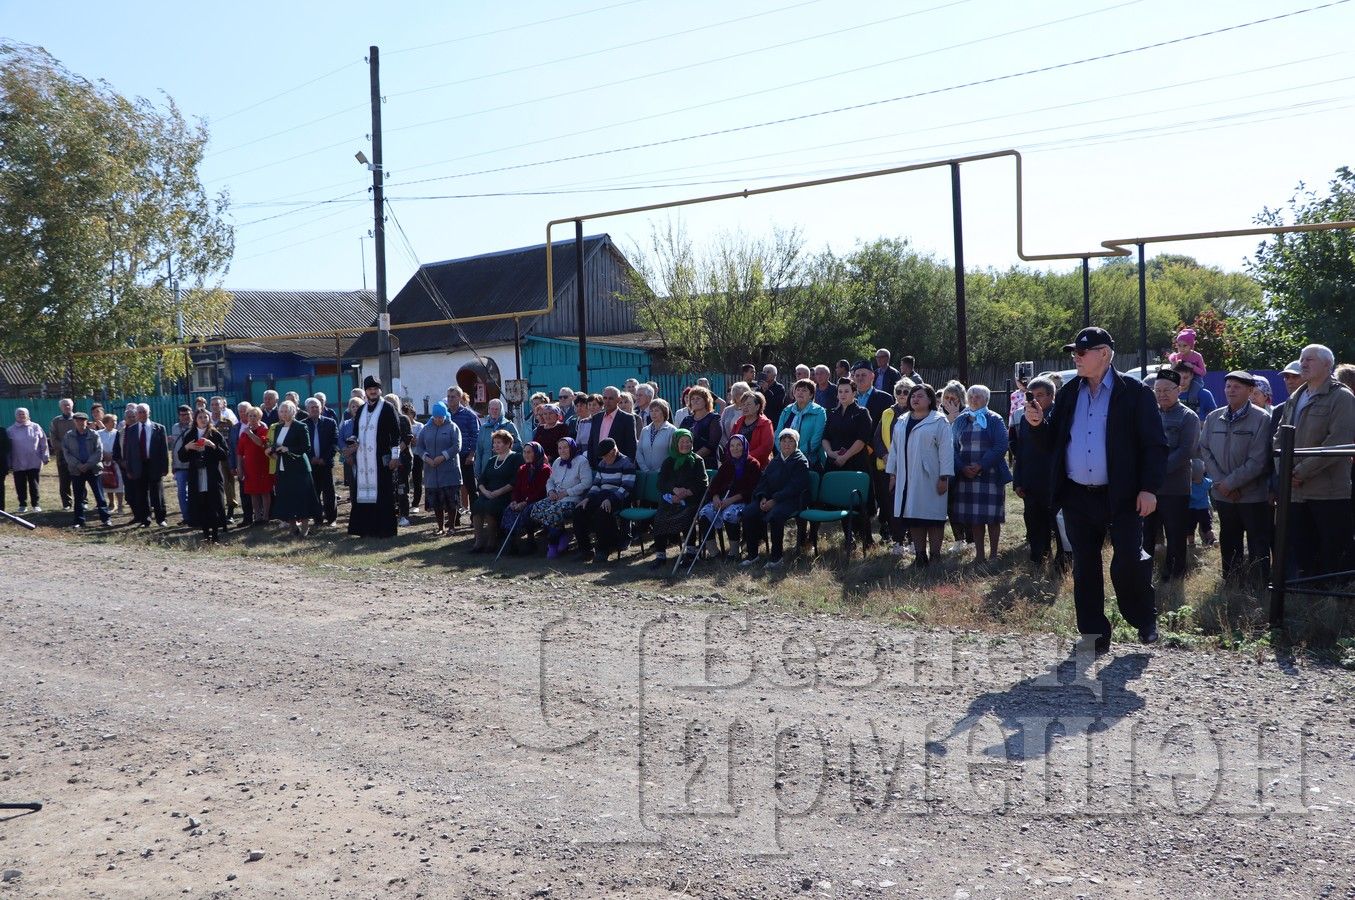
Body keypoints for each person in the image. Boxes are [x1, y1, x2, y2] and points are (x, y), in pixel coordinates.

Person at [1024, 326, 1166, 654]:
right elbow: (1051, 443)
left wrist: (1149, 488)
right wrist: (1036, 424)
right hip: (1077, 494)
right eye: (1074, 352)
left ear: (1104, 354)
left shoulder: (1135, 392)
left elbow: (1155, 445)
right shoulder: (1071, 391)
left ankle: (1144, 619)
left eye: (1082, 352)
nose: (1076, 357)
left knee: (1128, 560)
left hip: (1123, 494)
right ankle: (1094, 634)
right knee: (1086, 566)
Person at [1274, 343, 1355, 577]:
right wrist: (1286, 471)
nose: (1303, 363)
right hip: (1296, 493)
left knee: (1333, 552)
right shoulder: (1295, 397)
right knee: (1302, 551)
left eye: (1310, 359)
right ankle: (1307, 597)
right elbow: (1279, 437)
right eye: (1302, 358)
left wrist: (1300, 472)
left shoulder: (1341, 397)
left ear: (1328, 365)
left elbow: (1339, 440)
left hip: (1328, 492)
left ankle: (1332, 606)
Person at [1200, 370, 1273, 582]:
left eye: (1237, 387)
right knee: (1229, 540)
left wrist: (1231, 483)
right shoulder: (1214, 417)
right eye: (1228, 386)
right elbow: (1205, 449)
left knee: (1257, 542)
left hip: (1252, 495)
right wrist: (1221, 483)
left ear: (1251, 391)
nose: (1231, 390)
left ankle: (1259, 585)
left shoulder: (1262, 419)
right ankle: (1232, 583)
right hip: (1224, 495)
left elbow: (1259, 460)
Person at [884, 383, 953, 566]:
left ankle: (936, 556)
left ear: (930, 399)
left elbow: (946, 451)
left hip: (931, 477)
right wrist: (893, 475)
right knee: (914, 517)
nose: (914, 399)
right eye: (913, 396)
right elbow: (895, 449)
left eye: (919, 396)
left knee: (933, 518)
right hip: (907, 478)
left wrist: (944, 477)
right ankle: (920, 556)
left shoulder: (939, 421)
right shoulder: (902, 420)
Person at [1143, 368, 1199, 581]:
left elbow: (1185, 452)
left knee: (1175, 534)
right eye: (1157, 390)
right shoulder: (1149, 414)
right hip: (1148, 487)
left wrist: (1155, 471)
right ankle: (1145, 572)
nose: (1162, 394)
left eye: (1167, 390)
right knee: (1146, 533)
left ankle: (1175, 573)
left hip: (1175, 488)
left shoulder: (1188, 417)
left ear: (1179, 389)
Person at [951, 385, 1011, 565]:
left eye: (978, 396)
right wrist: (962, 467)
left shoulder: (994, 419)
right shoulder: (961, 420)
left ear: (986, 399)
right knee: (975, 517)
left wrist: (981, 465)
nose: (974, 399)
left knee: (992, 517)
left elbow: (1001, 445)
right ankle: (979, 555)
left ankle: (993, 554)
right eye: (971, 396)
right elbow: (952, 447)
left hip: (990, 474)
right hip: (966, 475)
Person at [1011, 376, 1063, 569]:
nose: (1036, 400)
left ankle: (1062, 561)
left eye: (1040, 395)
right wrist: (1018, 481)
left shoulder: (1058, 415)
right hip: (1032, 480)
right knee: (1034, 522)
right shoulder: (1025, 418)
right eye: (1031, 396)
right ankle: (1038, 558)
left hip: (1055, 480)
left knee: (1058, 524)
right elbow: (1020, 451)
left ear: (1052, 395)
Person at [740, 428, 810, 569]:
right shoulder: (775, 460)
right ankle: (753, 555)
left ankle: (776, 558)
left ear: (796, 444)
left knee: (775, 516)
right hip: (770, 499)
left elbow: (795, 487)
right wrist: (763, 497)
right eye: (784, 441)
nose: (787, 444)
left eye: (791, 441)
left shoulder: (801, 461)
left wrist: (775, 500)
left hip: (792, 500)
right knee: (748, 512)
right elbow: (764, 482)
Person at [346, 376, 402, 538]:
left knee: (383, 494)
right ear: (366, 391)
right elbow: (356, 432)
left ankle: (385, 530)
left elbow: (396, 434)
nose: (373, 391)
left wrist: (394, 457)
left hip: (380, 459)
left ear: (380, 390)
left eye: (375, 388)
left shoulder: (387, 408)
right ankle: (365, 529)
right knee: (363, 494)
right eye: (370, 389)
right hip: (363, 460)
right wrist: (353, 442)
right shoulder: (362, 409)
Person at [823, 378, 874, 548]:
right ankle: (848, 538)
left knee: (859, 502)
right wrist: (830, 453)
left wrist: (846, 456)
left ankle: (867, 540)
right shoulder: (831, 413)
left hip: (856, 462)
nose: (843, 394)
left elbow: (862, 439)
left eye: (846, 391)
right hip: (835, 462)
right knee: (842, 500)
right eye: (840, 391)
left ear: (854, 393)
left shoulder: (862, 412)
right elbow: (825, 438)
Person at [649, 429, 709, 569]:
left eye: (688, 442)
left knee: (688, 517)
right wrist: (674, 491)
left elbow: (703, 482)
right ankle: (660, 555)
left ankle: (690, 553)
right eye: (681, 442)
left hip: (690, 499)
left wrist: (687, 492)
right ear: (675, 443)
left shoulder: (697, 460)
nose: (685, 445)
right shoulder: (669, 461)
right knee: (659, 518)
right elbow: (661, 483)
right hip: (671, 499)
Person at [697, 433, 762, 560]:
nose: (735, 448)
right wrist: (715, 497)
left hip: (741, 500)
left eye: (739, 445)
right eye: (732, 445)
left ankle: (733, 552)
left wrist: (731, 500)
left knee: (730, 514)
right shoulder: (727, 464)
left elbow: (752, 490)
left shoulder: (753, 464)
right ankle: (714, 552)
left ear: (744, 447)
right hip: (722, 500)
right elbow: (714, 485)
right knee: (704, 513)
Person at [574, 436, 638, 563]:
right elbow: (596, 484)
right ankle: (585, 550)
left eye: (605, 456)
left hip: (619, 498)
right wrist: (588, 498)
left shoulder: (627, 463)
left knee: (601, 513)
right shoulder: (603, 463)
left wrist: (611, 500)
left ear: (614, 452)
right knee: (579, 511)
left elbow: (626, 487)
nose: (603, 459)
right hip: (601, 495)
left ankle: (603, 550)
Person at [531, 437, 593, 559]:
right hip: (555, 496)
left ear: (572, 447)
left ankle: (553, 544)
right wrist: (551, 491)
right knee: (536, 509)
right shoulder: (557, 462)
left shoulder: (582, 461)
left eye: (565, 447)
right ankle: (563, 534)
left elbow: (587, 483)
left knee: (552, 512)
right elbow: (550, 481)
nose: (562, 450)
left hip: (573, 498)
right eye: (560, 448)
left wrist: (567, 492)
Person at [268, 400, 319, 536]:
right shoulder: (278, 427)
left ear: (293, 411)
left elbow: (306, 447)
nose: (284, 414)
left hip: (299, 468)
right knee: (286, 497)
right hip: (283, 467)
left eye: (287, 411)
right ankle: (292, 528)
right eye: (282, 411)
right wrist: (271, 449)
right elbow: (277, 444)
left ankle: (305, 528)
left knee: (302, 497)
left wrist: (288, 449)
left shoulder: (300, 426)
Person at [178, 409, 229, 542]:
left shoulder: (215, 434)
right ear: (195, 419)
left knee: (214, 503)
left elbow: (224, 455)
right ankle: (206, 534)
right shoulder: (190, 434)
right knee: (201, 503)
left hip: (212, 474)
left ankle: (216, 535)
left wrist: (212, 445)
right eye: (200, 417)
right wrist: (187, 448)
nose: (203, 419)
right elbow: (181, 457)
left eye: (205, 417)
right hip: (197, 474)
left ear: (209, 418)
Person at [115, 404, 169, 527]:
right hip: (138, 466)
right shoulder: (131, 430)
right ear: (136, 414)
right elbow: (128, 451)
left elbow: (164, 450)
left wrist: (165, 468)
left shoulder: (159, 428)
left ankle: (161, 519)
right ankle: (146, 519)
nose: (141, 414)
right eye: (139, 412)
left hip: (154, 464)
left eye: (144, 412)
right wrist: (129, 468)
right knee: (141, 494)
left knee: (157, 493)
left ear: (149, 413)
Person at [469, 429, 524, 553]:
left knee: (490, 507)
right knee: (477, 505)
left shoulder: (516, 458)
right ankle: (478, 542)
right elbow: (482, 480)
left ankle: (492, 542)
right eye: (494, 443)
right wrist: (485, 491)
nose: (496, 445)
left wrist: (498, 493)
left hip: (505, 495)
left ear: (508, 443)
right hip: (488, 493)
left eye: (499, 442)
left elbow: (515, 481)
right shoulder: (492, 460)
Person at [415, 401, 463, 536]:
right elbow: (419, 447)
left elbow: (457, 446)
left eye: (441, 417)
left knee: (451, 502)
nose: (438, 420)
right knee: (436, 502)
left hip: (449, 471)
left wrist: (443, 456)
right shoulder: (426, 428)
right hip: (432, 472)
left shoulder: (452, 427)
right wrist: (427, 458)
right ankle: (440, 526)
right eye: (436, 417)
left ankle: (452, 526)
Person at [61, 412, 110, 528]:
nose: (80, 422)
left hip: (93, 469)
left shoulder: (94, 434)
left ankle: (106, 519)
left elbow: (99, 452)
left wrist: (87, 464)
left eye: (82, 420)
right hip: (76, 470)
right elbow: (66, 453)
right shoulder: (68, 435)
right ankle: (79, 521)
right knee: (78, 497)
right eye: (77, 420)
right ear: (74, 422)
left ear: (86, 422)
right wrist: (78, 465)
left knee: (99, 496)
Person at [503, 441, 550, 554]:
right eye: (524, 452)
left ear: (537, 453)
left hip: (537, 500)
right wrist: (514, 501)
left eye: (529, 452)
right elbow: (517, 488)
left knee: (528, 510)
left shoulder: (545, 470)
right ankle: (512, 542)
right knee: (509, 510)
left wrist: (525, 502)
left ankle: (530, 539)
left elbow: (541, 491)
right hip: (521, 501)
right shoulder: (522, 469)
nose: (526, 455)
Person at [445, 386, 481, 520]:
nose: (450, 399)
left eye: (453, 396)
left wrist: (471, 455)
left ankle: (475, 518)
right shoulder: (445, 415)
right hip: (449, 457)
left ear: (459, 398)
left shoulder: (469, 415)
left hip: (466, 456)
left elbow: (475, 436)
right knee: (452, 488)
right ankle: (455, 518)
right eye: (448, 396)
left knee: (471, 488)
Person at [777, 378, 827, 471]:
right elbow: (778, 434)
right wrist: (784, 452)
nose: (800, 392)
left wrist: (795, 453)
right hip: (784, 458)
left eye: (804, 390)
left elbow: (817, 438)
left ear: (811, 395)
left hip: (808, 460)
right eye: (798, 390)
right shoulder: (787, 410)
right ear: (794, 393)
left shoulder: (819, 412)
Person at [304, 398, 339, 526]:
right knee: (314, 493)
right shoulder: (303, 424)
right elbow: (301, 444)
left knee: (329, 492)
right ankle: (317, 519)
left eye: (316, 407)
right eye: (311, 407)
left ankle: (331, 519)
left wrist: (325, 458)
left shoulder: (330, 423)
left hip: (326, 463)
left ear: (321, 408)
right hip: (310, 465)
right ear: (307, 409)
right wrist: (311, 457)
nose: (314, 409)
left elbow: (334, 442)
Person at [8, 408, 49, 514]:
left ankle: (36, 504)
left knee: (34, 484)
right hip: (18, 462)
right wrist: (9, 462)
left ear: (27, 415)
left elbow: (43, 442)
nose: (21, 416)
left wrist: (45, 456)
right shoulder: (10, 430)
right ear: (15, 416)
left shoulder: (36, 427)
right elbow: (7, 448)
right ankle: (22, 504)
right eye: (19, 414)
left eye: (23, 414)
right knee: (20, 484)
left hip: (34, 461)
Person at [237, 405, 274, 526]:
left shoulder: (264, 430)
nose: (252, 418)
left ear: (259, 417)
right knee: (253, 493)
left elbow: (261, 443)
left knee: (264, 491)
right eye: (250, 415)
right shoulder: (243, 434)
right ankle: (257, 517)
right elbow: (239, 452)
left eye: (255, 416)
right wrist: (240, 468)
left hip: (262, 465)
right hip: (250, 467)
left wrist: (251, 433)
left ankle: (266, 516)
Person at [585, 386, 640, 463]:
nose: (607, 401)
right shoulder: (596, 418)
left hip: (618, 464)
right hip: (597, 464)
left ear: (618, 399)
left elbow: (631, 445)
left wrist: (628, 465)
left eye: (611, 398)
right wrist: (590, 462)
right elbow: (591, 442)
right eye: (605, 398)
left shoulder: (627, 419)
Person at [475, 398, 521, 478]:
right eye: (492, 409)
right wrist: (477, 471)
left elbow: (519, 445)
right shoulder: (483, 428)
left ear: (501, 410)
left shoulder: (509, 426)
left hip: (505, 468)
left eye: (497, 409)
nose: (494, 411)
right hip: (486, 468)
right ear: (488, 410)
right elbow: (479, 450)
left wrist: (504, 449)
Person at [168, 405, 195, 526]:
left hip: (193, 465)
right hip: (179, 466)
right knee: (181, 492)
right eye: (182, 415)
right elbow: (174, 447)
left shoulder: (196, 426)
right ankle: (186, 517)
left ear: (191, 414)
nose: (185, 417)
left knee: (195, 492)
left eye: (187, 414)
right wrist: (173, 463)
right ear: (179, 415)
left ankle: (196, 515)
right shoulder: (175, 428)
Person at [733, 390, 775, 467]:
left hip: (757, 466)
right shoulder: (738, 422)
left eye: (748, 404)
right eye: (743, 404)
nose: (744, 407)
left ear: (757, 406)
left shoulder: (766, 423)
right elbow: (731, 442)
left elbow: (766, 447)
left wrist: (745, 457)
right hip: (737, 464)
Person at [636, 398, 678, 473]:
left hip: (665, 474)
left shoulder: (672, 430)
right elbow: (639, 451)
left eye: (657, 410)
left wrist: (659, 471)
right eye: (651, 411)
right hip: (646, 474)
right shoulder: (645, 430)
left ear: (664, 412)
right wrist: (645, 470)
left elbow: (673, 454)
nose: (653, 413)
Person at [685, 386, 723, 467]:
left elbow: (711, 445)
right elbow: (679, 439)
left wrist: (693, 458)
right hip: (687, 463)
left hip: (707, 464)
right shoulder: (687, 420)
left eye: (698, 398)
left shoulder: (714, 419)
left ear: (706, 401)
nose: (695, 401)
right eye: (692, 399)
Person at [50, 398, 76, 510]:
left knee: (79, 479)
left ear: (72, 406)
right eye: (64, 405)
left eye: (68, 405)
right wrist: (65, 448)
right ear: (60, 407)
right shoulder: (56, 421)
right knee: (64, 480)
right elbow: (53, 438)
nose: (67, 407)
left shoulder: (77, 419)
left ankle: (83, 501)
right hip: (62, 455)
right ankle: (67, 503)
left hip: (77, 455)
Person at [97, 413, 123, 514]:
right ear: (106, 423)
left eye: (116, 421)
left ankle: (120, 505)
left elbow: (121, 446)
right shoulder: (99, 433)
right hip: (104, 462)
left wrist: (113, 455)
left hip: (116, 462)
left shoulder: (118, 433)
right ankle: (112, 503)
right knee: (108, 482)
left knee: (119, 483)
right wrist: (104, 455)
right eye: (113, 421)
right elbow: (98, 446)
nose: (115, 423)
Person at [719, 382, 751, 454]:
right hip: (727, 449)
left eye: (743, 394)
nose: (740, 396)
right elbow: (721, 429)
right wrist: (728, 445)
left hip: (747, 450)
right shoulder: (727, 410)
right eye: (737, 394)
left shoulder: (751, 409)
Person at [404, 401, 424, 514]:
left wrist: (409, 440)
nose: (408, 415)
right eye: (405, 413)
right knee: (404, 480)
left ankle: (415, 503)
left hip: (417, 455)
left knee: (417, 479)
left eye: (410, 413)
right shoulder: (401, 425)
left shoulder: (419, 426)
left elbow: (417, 442)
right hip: (405, 455)